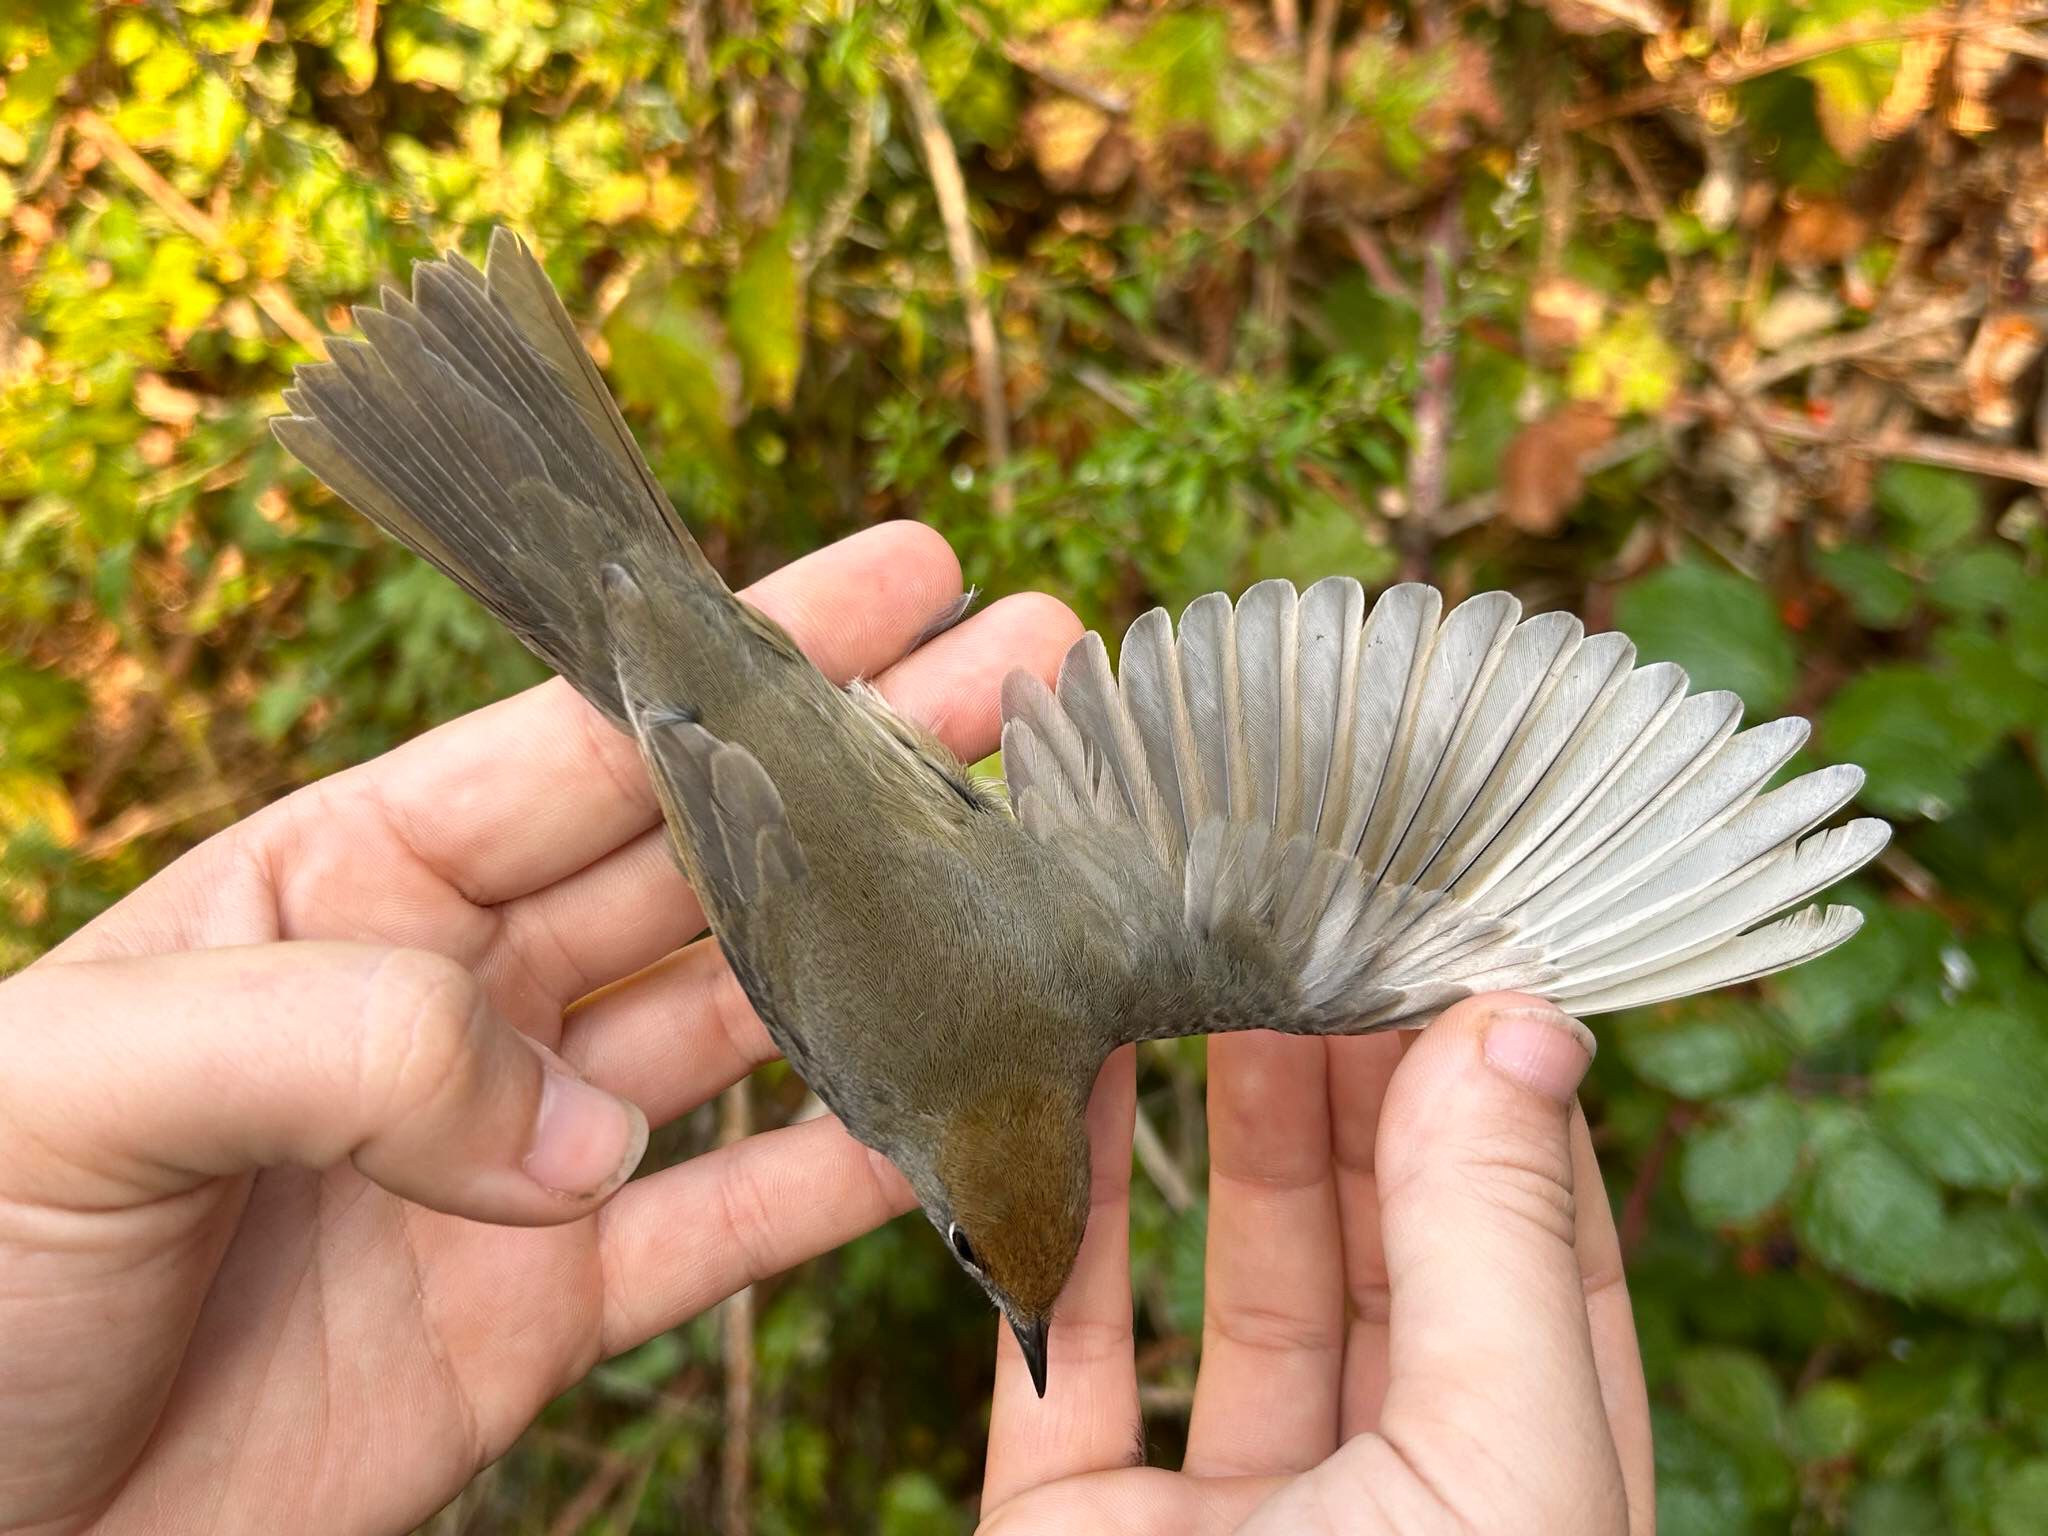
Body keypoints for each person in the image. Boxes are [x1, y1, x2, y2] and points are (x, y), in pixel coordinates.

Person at [0, 525, 1651, 1535]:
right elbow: (743, 858)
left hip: (812, 723)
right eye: (960, 1234)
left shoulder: (1117, 983)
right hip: (743, 739)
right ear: (940, 1185)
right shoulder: (872, 1085)